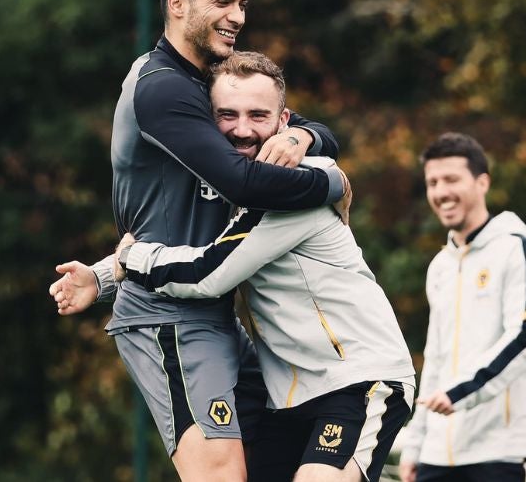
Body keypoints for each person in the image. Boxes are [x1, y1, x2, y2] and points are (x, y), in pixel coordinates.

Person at [47, 0, 351, 482]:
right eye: (222, 2)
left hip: (214, 310)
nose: (237, 17)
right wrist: (330, 183)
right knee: (219, 473)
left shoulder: (215, 84)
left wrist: (304, 136)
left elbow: (322, 133)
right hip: (170, 317)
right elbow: (242, 183)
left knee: (284, 456)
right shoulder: (162, 89)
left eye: (242, 4)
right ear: (177, 3)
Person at [111, 51, 416, 482]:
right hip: (288, 400)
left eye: (258, 115)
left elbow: (205, 274)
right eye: (227, 115)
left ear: (283, 121)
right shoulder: (236, 186)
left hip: (359, 380)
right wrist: (104, 272)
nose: (242, 129)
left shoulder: (290, 189)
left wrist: (131, 259)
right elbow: (198, 245)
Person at [398, 133, 526, 482]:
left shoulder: (518, 251)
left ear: (482, 182)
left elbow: (525, 339)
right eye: (432, 183)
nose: (441, 192)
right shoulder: (440, 265)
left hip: (502, 453)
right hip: (437, 456)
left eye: (452, 179)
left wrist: (459, 394)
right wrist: (415, 444)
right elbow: (435, 357)